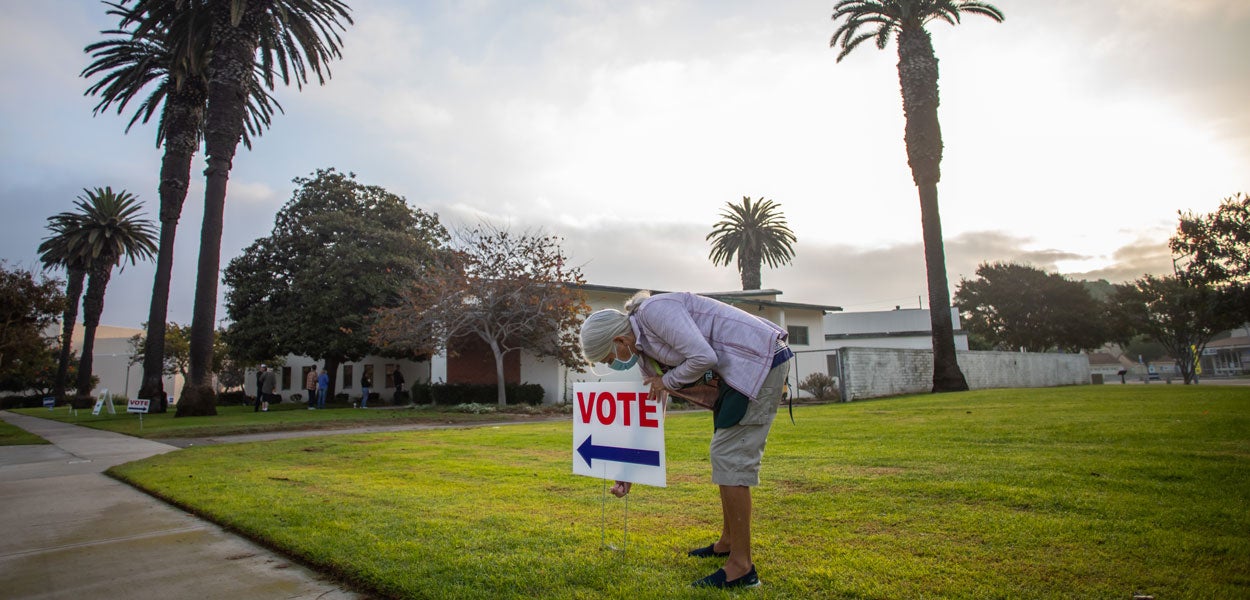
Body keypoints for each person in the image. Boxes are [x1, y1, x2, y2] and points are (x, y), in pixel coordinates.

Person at [579, 291, 792, 590]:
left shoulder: (655, 312)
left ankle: (742, 568)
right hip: (735, 375)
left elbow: (704, 357)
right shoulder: (644, 354)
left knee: (729, 455)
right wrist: (628, 472)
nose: (613, 364)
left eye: (608, 358)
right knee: (724, 453)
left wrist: (665, 381)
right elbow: (655, 410)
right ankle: (728, 542)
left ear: (620, 342)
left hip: (759, 361)